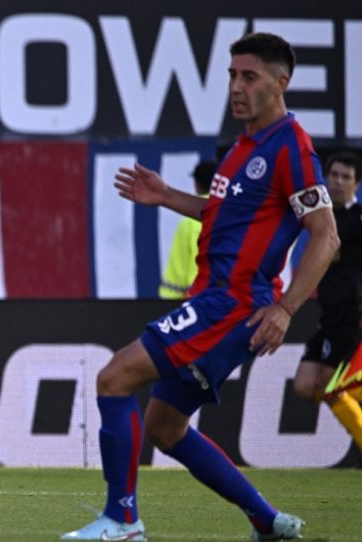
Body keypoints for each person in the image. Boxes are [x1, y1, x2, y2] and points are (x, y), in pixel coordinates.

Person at [60, 33, 339, 541]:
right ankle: (267, 520)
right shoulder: (244, 147)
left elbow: (326, 235)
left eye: (249, 76)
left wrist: (286, 308)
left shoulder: (291, 146)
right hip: (214, 300)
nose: (236, 86)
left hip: (231, 304)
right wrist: (168, 196)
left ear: (281, 83)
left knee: (114, 378)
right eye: (232, 75)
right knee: (165, 427)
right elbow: (227, 216)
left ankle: (122, 521)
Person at [292, 151, 362, 454]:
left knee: (334, 388)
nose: (338, 182)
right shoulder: (321, 216)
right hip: (329, 316)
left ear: (356, 184)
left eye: (346, 177)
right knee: (305, 384)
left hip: (351, 316)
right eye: (334, 175)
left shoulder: (356, 220)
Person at [158, 160, 217, 299]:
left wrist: (169, 299)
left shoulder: (188, 223)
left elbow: (176, 270)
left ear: (196, 184)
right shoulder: (234, 215)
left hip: (196, 300)